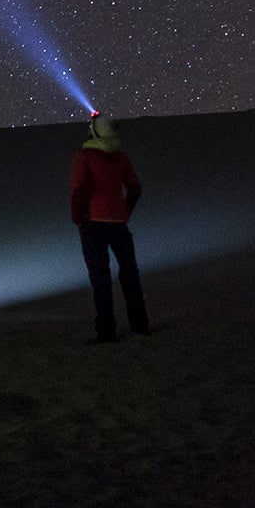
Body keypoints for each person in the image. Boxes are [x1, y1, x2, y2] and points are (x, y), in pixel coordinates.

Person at [70, 113, 148, 342]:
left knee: (100, 278)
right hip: (119, 224)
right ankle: (140, 325)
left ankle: (106, 332)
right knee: (130, 275)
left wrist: (78, 218)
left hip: (93, 224)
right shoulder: (121, 158)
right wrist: (124, 212)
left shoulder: (84, 157)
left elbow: (78, 191)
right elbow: (135, 188)